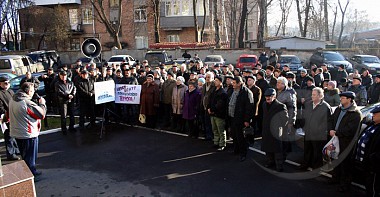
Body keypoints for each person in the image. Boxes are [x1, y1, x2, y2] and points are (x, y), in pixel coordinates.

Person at [9, 82, 47, 176]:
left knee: (25, 155)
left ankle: (27, 173)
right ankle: (31, 174)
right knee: (30, 157)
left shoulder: (13, 99)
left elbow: (7, 114)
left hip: (17, 132)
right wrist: (42, 104)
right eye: (33, 90)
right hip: (28, 134)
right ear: (29, 91)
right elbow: (41, 114)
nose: (34, 92)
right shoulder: (26, 103)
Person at [329, 91, 362, 192]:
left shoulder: (355, 113)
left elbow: (351, 129)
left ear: (349, 99)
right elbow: (332, 120)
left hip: (346, 141)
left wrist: (336, 132)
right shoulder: (339, 109)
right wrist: (331, 130)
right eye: (341, 98)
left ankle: (344, 184)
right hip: (335, 138)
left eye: (343, 98)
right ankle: (335, 178)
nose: (341, 99)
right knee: (335, 159)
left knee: (345, 163)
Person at [300, 87, 332, 170]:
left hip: (318, 134)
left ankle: (316, 168)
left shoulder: (325, 107)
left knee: (317, 152)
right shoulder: (308, 104)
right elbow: (304, 116)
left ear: (320, 96)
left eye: (314, 95)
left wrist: (319, 130)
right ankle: (305, 164)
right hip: (308, 131)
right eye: (312, 94)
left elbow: (327, 122)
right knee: (307, 149)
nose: (312, 96)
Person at [353, 105, 380, 197]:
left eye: (375, 114)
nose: (373, 115)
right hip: (367, 164)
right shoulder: (372, 125)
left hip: (374, 166)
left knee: (373, 187)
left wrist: (372, 159)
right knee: (368, 185)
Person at [261, 88, 288, 172]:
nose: (268, 98)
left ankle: (279, 165)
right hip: (266, 129)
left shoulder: (281, 106)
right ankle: (270, 161)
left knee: (277, 149)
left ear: (274, 96)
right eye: (266, 96)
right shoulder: (264, 104)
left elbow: (285, 119)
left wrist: (279, 127)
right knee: (267, 147)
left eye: (270, 96)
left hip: (276, 130)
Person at [228, 76, 254, 162]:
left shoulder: (247, 92)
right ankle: (236, 150)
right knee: (234, 135)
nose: (232, 84)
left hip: (241, 118)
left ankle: (243, 153)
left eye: (234, 83)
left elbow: (249, 107)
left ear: (240, 83)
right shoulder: (233, 90)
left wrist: (247, 120)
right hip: (233, 116)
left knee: (241, 137)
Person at [0, 76, 20, 160]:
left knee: (14, 133)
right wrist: (7, 114)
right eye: (5, 83)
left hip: (13, 115)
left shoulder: (10, 91)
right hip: (5, 116)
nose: (7, 84)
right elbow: (0, 107)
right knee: (9, 135)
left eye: (8, 83)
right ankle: (10, 153)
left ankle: (16, 149)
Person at [207, 75, 228, 150]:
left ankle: (222, 144)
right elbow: (210, 100)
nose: (215, 82)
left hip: (219, 114)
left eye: (217, 81)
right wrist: (209, 108)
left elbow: (220, 105)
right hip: (213, 114)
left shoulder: (223, 93)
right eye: (215, 80)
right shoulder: (214, 90)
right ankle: (216, 142)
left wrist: (212, 109)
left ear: (221, 82)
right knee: (214, 129)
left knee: (221, 130)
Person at [55, 70, 76, 134]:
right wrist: (67, 95)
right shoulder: (57, 83)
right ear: (60, 76)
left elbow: (74, 89)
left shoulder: (70, 82)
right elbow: (59, 92)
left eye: (65, 75)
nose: (64, 77)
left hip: (71, 100)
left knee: (72, 114)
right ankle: (64, 129)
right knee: (64, 115)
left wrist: (72, 94)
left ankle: (71, 127)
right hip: (63, 101)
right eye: (62, 76)